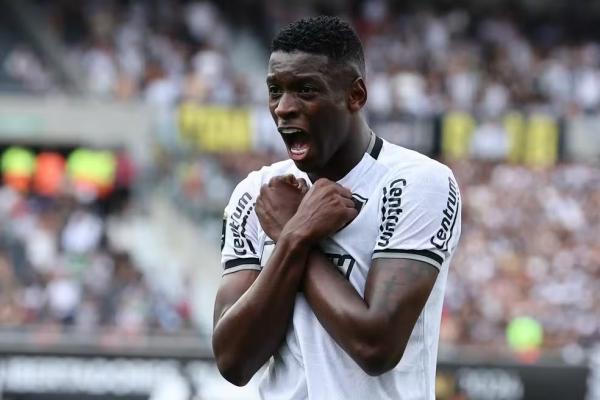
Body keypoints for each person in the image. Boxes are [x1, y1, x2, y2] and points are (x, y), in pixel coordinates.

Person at [213, 16, 461, 400]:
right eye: (275, 90)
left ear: (355, 95)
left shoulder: (418, 182)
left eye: (306, 90)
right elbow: (233, 361)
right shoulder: (256, 193)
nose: (283, 108)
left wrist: (292, 236)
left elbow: (376, 346)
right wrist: (296, 235)